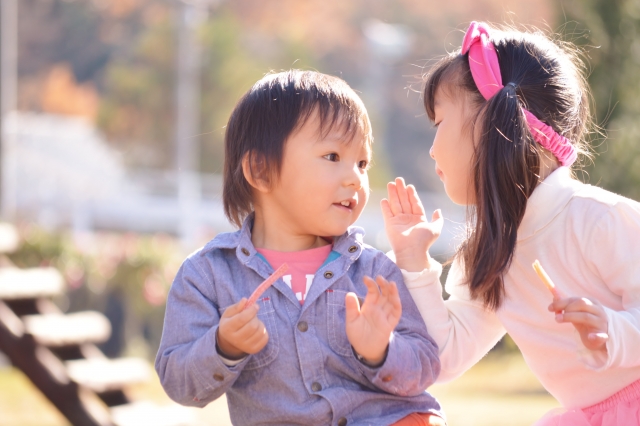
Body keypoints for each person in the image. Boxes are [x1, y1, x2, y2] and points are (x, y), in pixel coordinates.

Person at [382, 21, 640, 426]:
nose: (432, 149)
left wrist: (614, 330)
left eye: (439, 123)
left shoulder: (598, 219)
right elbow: (446, 356)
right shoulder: (490, 252)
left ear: (493, 120)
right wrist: (415, 262)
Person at [155, 70, 445, 426]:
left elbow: (426, 366)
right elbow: (179, 382)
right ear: (260, 170)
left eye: (362, 162)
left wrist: (380, 351)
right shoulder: (208, 275)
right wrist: (222, 347)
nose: (355, 176)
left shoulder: (373, 273)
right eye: (333, 156)